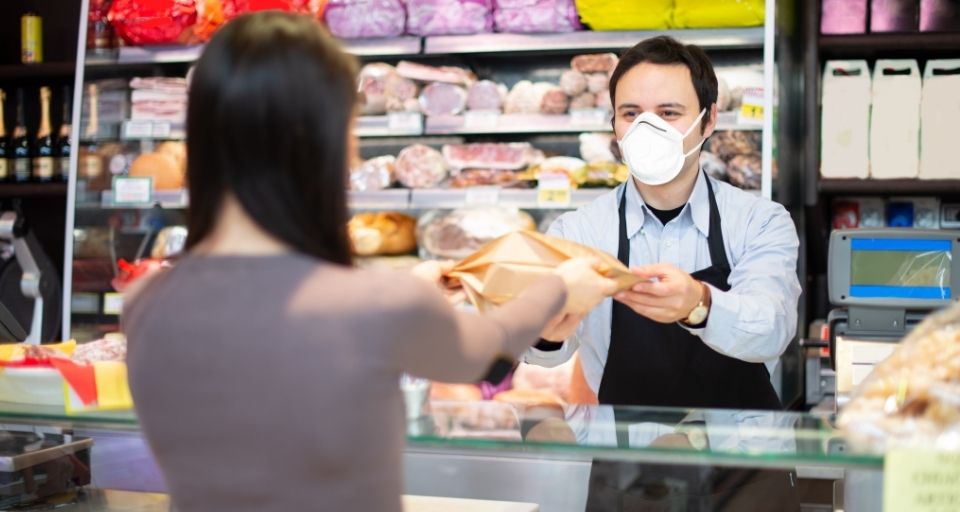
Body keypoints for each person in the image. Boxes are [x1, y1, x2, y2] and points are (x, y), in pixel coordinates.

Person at [121, 12, 618, 512]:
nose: (354, 154)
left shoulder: (147, 300)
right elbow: (487, 351)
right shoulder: (373, 306)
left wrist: (408, 292)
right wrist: (559, 287)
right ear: (318, 142)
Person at [528, 36, 802, 411]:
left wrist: (699, 304)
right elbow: (543, 356)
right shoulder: (576, 232)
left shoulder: (760, 221)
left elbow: (772, 331)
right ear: (614, 124)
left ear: (709, 120)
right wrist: (544, 332)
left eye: (669, 113)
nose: (648, 128)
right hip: (624, 445)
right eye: (631, 114)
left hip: (741, 446)